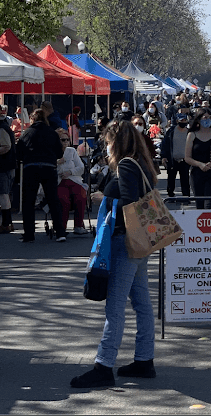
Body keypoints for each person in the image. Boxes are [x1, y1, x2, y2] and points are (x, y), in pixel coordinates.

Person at [70, 120, 158, 389]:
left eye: (108, 142)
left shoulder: (126, 166)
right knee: (141, 303)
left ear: (116, 143)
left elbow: (130, 202)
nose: (106, 147)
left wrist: (102, 197)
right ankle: (144, 359)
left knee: (115, 307)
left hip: (124, 241)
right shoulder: (142, 164)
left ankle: (104, 364)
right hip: (140, 243)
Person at [16, 109, 66, 243]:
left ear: (32, 119)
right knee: (53, 200)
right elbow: (59, 153)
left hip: (30, 167)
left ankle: (29, 234)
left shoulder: (26, 133)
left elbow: (19, 153)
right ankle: (60, 232)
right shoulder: (52, 133)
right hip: (49, 167)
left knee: (28, 202)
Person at [55, 129, 88, 236]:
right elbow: (48, 169)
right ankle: (61, 227)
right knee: (63, 200)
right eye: (63, 140)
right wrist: (57, 163)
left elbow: (81, 167)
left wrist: (70, 172)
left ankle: (78, 225)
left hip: (73, 180)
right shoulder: (52, 152)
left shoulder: (72, 151)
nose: (65, 142)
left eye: (67, 140)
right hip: (60, 182)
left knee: (81, 196)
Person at [184, 108, 211, 209]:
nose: (207, 120)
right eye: (205, 117)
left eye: (210, 117)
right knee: (200, 205)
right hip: (197, 173)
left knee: (210, 204)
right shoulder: (192, 135)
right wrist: (200, 164)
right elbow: (187, 158)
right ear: (198, 119)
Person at [160, 106, 191, 198]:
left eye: (184, 120)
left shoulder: (189, 132)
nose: (183, 122)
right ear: (177, 121)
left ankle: (186, 197)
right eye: (181, 120)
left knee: (185, 180)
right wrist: (164, 156)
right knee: (171, 179)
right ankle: (170, 195)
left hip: (184, 160)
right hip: (172, 159)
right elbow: (165, 144)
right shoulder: (171, 131)